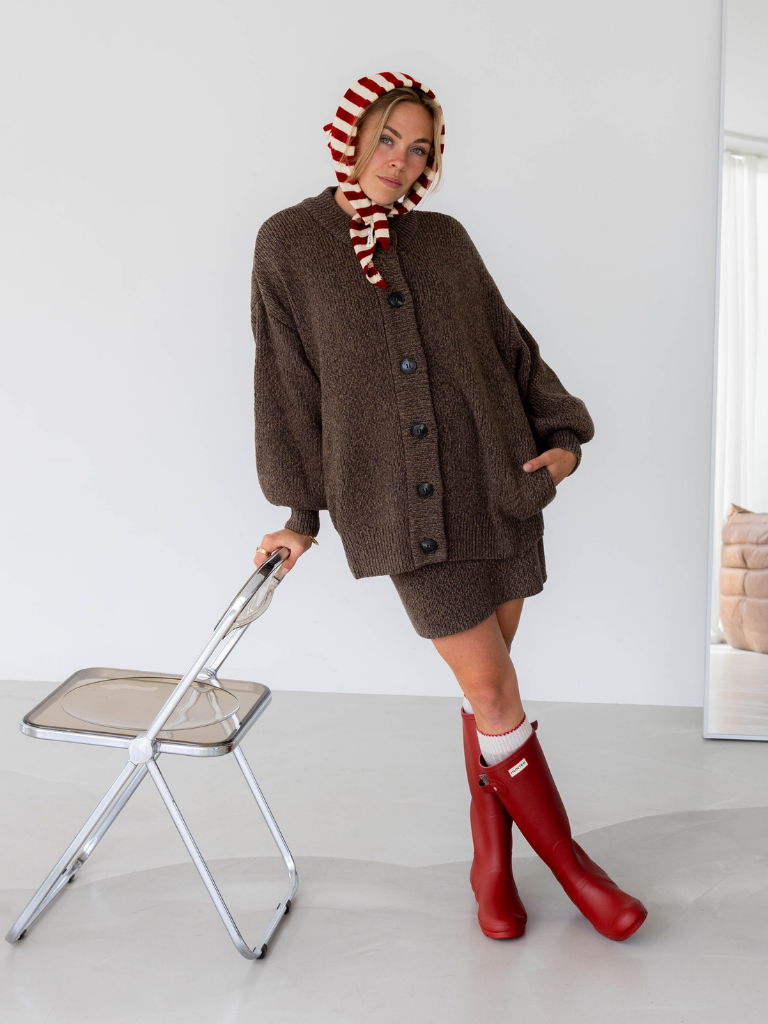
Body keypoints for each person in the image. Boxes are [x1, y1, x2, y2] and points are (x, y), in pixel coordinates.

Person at [250, 72, 647, 942]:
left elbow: (508, 345)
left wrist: (565, 437)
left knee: (487, 691)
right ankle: (578, 873)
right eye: (388, 138)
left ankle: (491, 867)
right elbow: (287, 384)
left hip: (496, 485)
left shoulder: (444, 239)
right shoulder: (289, 243)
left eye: (420, 147)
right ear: (352, 134)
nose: (401, 160)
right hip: (401, 510)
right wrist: (299, 514)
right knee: (493, 691)